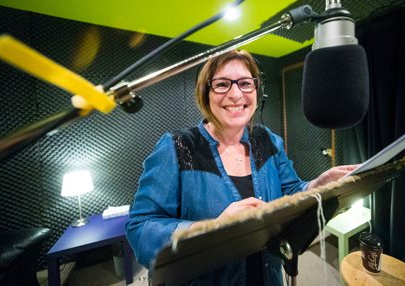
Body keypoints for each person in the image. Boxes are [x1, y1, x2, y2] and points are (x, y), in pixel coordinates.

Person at [126, 49, 358, 285]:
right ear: (205, 92)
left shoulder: (267, 140)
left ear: (258, 91)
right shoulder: (176, 147)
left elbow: (289, 192)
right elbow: (140, 228)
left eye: (245, 83)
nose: (236, 94)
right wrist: (213, 230)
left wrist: (315, 185)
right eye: (222, 84)